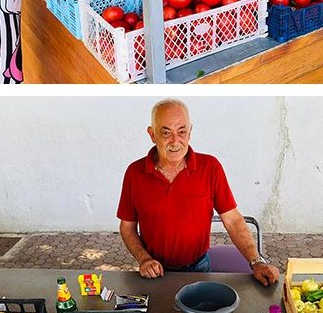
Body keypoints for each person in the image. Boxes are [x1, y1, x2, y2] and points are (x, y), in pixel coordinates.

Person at [117, 99, 280, 286]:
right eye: (166, 133)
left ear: (190, 132)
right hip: (155, 270)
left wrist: (257, 261)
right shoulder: (134, 173)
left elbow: (233, 220)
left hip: (198, 267)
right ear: (152, 134)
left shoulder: (210, 167)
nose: (175, 141)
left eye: (182, 132)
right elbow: (127, 227)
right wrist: (144, 259)